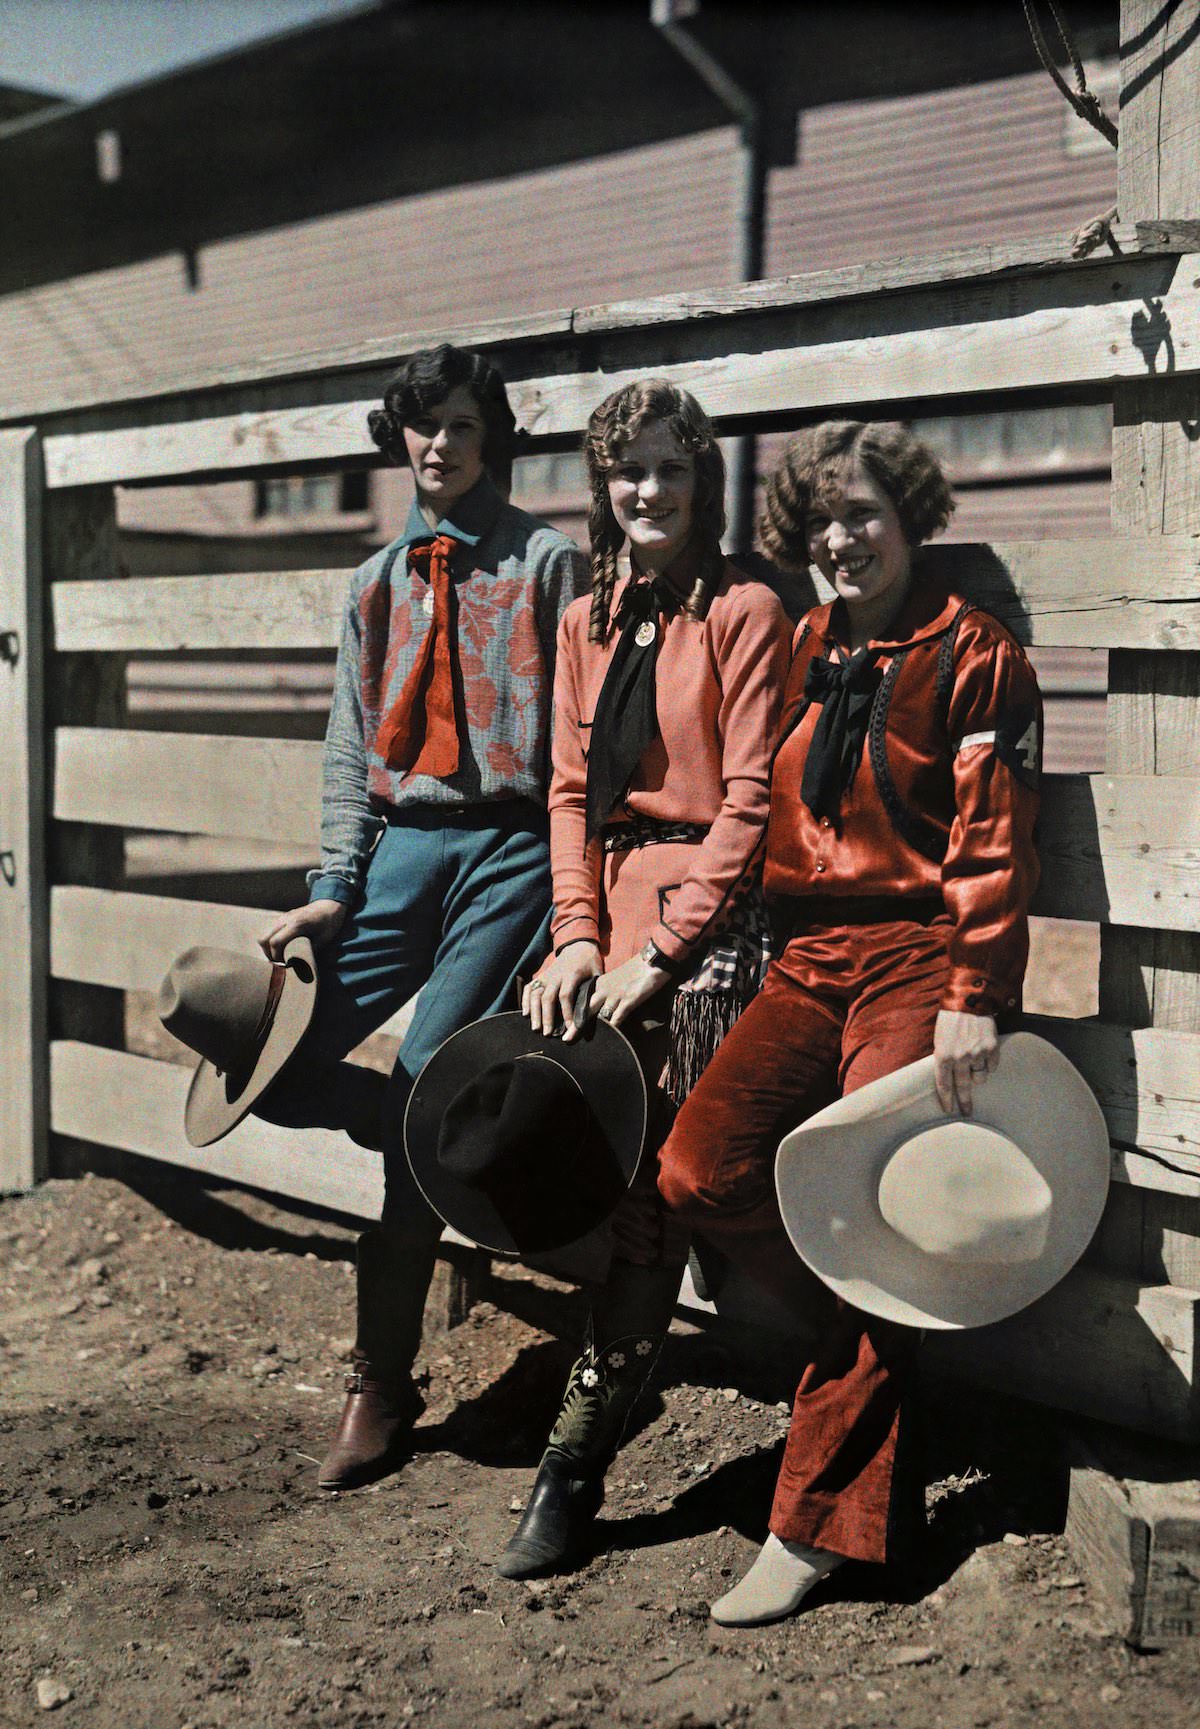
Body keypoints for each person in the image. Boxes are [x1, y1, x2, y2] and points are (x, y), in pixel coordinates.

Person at [657, 420, 1043, 1626]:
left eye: (864, 514)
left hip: (924, 959)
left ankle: (817, 1523)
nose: (840, 539)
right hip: (808, 957)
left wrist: (974, 994)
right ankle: (865, 1324)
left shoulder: (972, 652)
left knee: (876, 1200)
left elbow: (992, 837)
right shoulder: (808, 644)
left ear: (910, 519)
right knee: (695, 1169)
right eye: (821, 522)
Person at [253, 343, 589, 1490]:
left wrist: (575, 892)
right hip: (401, 849)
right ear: (397, 436)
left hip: (509, 850)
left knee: (424, 1086)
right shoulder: (374, 582)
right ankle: (422, 1133)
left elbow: (583, 743)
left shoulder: (549, 563)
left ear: (491, 435)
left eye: (457, 423)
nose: (436, 443)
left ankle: (380, 1381)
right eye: (418, 424)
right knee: (273, 1058)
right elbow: (351, 744)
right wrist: (335, 884)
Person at [496, 379, 792, 1579]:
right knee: (553, 1142)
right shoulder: (587, 617)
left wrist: (662, 956)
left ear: (700, 480)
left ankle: (573, 1465)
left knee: (654, 1198)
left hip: (710, 925)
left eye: (670, 470)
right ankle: (592, 1406)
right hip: (604, 912)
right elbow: (568, 793)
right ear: (602, 488)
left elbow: (752, 798)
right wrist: (575, 938)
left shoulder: (746, 608)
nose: (648, 492)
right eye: (628, 473)